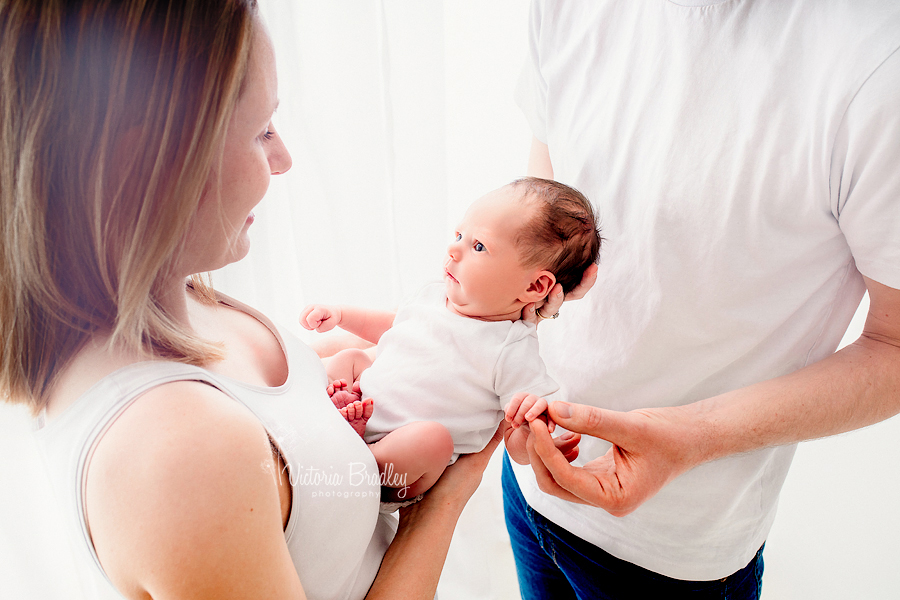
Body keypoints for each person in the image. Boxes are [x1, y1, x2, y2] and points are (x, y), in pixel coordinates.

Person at [0, 2, 507, 599]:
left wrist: (376, 355)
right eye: (261, 129)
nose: (284, 159)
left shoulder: (175, 296)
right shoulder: (182, 454)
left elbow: (279, 419)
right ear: (149, 166)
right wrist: (446, 499)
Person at [503, 0, 900, 598]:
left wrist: (693, 437)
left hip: (673, 556)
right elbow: (541, 226)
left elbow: (894, 343)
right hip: (528, 483)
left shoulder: (877, 62)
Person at [300, 177, 600, 502]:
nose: (453, 249)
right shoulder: (434, 295)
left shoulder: (512, 350)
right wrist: (342, 315)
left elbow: (514, 437)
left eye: (478, 246)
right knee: (350, 359)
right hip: (366, 402)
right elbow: (395, 328)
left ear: (534, 288)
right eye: (459, 235)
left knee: (433, 440)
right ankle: (331, 413)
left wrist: (536, 441)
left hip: (401, 457)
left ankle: (362, 462)